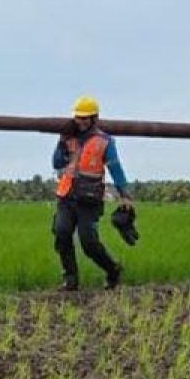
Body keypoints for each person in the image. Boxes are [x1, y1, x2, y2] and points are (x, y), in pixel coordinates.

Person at [52, 96, 134, 291]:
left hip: (89, 199)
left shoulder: (104, 141)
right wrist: (61, 141)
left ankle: (113, 270)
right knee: (62, 233)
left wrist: (124, 193)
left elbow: (115, 167)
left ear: (94, 118)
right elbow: (57, 163)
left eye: (85, 118)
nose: (81, 121)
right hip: (66, 195)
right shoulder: (68, 137)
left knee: (89, 242)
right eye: (78, 117)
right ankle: (70, 279)